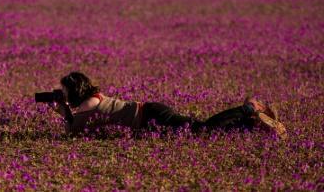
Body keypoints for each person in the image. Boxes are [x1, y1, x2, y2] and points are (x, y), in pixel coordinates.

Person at [48, 72, 287, 139]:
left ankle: (249, 108)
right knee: (202, 133)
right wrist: (67, 109)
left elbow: (73, 132)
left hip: (152, 116)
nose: (62, 93)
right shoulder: (93, 98)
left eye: (65, 89)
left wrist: (63, 112)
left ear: (74, 89)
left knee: (200, 130)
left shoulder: (88, 105)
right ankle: (252, 125)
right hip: (151, 114)